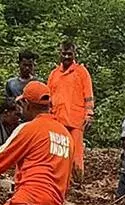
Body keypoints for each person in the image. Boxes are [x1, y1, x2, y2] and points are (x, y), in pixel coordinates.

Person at [48, 41, 94, 179]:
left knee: (76, 155)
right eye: (64, 54)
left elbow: (88, 95)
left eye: (70, 54)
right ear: (60, 54)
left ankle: (77, 182)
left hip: (76, 120)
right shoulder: (54, 74)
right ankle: (58, 179)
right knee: (58, 153)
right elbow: (48, 97)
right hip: (58, 119)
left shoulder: (81, 72)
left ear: (74, 54)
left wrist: (89, 114)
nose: (67, 57)